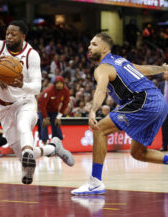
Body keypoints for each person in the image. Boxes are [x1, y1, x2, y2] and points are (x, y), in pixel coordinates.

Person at [0, 20, 74, 185]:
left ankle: (28, 152)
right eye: (7, 33)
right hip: (3, 106)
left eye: (13, 34)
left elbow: (36, 87)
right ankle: (53, 148)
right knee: (21, 155)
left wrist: (21, 85)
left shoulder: (31, 54)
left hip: (25, 101)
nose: (9, 36)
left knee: (23, 126)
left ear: (23, 36)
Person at [71, 33, 168, 195]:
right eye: (89, 44)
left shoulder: (102, 67)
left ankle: (95, 182)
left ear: (104, 49)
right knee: (138, 153)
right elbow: (142, 69)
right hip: (159, 102)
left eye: (94, 44)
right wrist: (162, 69)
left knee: (100, 130)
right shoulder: (121, 61)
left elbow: (101, 89)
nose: (89, 47)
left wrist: (93, 110)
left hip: (144, 100)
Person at [37, 75, 70, 144]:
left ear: (63, 84)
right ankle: (44, 144)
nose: (59, 85)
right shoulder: (49, 91)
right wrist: (45, 117)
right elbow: (42, 104)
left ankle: (57, 144)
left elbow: (65, 104)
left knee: (56, 125)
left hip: (54, 111)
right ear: (55, 84)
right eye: (57, 83)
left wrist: (59, 117)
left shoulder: (66, 91)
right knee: (44, 125)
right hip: (43, 110)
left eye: (61, 83)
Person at [158, 71, 168, 151]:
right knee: (164, 128)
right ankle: (164, 146)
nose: (164, 74)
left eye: (166, 73)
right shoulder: (161, 84)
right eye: (164, 73)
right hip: (164, 109)